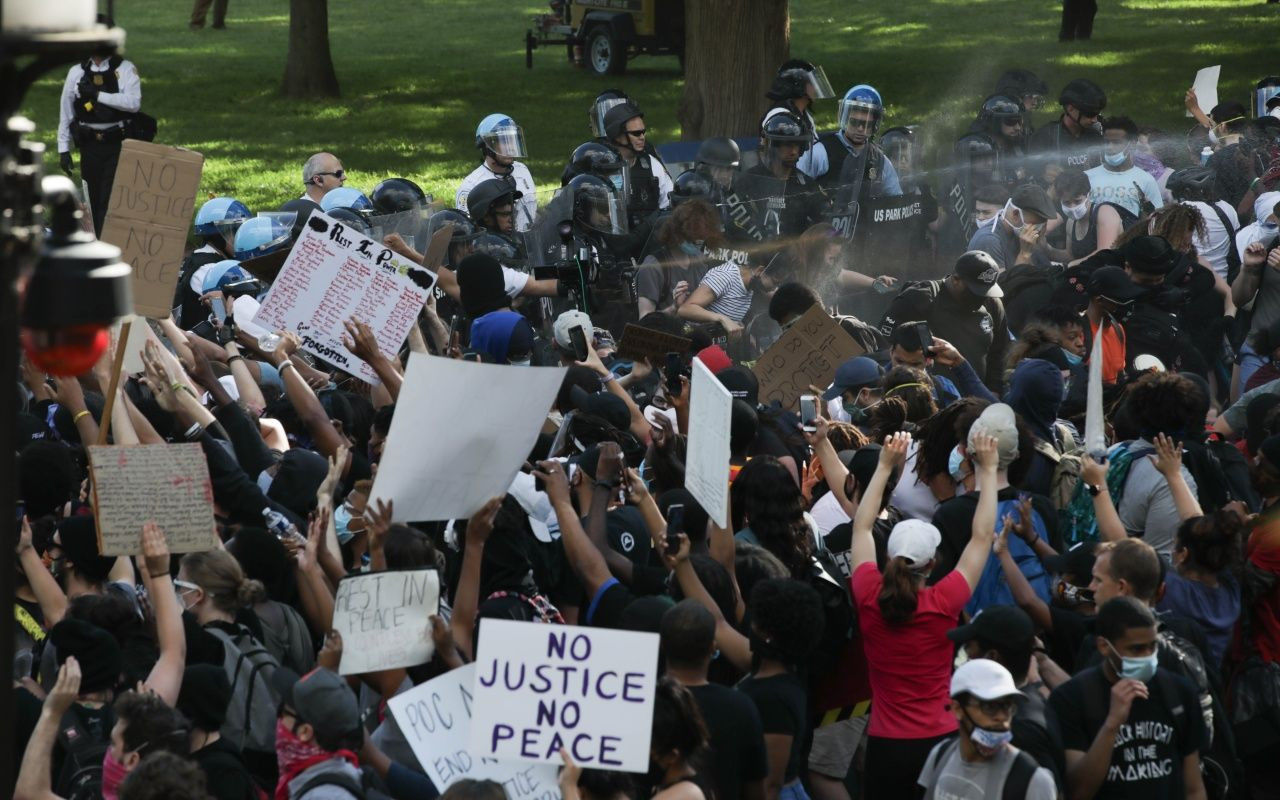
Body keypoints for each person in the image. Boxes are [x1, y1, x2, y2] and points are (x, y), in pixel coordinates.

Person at [833, 430, 1000, 800]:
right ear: (933, 562)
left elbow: (861, 526)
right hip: (940, 741)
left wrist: (884, 467)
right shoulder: (945, 601)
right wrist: (988, 472)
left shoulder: (868, 594)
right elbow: (982, 537)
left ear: (889, 559)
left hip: (885, 744)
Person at [1048, 597, 1208, 800]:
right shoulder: (1072, 698)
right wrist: (1112, 725)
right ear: (1104, 646)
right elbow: (1078, 792)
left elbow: (1194, 788)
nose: (1148, 656)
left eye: (1153, 646)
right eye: (1136, 649)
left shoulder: (1179, 692)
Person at [659, 600, 767, 800]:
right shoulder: (741, 708)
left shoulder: (643, 704)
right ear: (712, 648)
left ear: (663, 645)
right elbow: (757, 791)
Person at [948, 606, 1063, 779]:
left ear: (992, 657)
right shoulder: (1033, 704)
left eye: (969, 647)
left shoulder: (1016, 729)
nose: (966, 656)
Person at [916, 659, 1057, 799]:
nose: (1002, 717)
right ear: (957, 709)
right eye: (989, 707)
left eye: (1007, 706)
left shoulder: (1032, 779)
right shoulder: (940, 755)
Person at [879, 250, 1012, 393]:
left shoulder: (992, 303)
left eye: (987, 291)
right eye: (976, 291)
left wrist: (994, 390)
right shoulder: (921, 298)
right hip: (928, 398)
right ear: (956, 279)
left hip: (975, 401)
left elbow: (999, 351)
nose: (982, 297)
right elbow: (884, 345)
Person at [56, 42, 143, 235]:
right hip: (89, 144)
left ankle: (109, 239)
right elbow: (66, 111)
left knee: (110, 197)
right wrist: (63, 148)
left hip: (118, 143)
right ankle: (95, 240)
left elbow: (133, 103)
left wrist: (98, 95)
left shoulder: (125, 68)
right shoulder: (76, 72)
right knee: (92, 197)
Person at [1156, 512, 1242, 667]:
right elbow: (1211, 539)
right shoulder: (1232, 590)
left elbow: (1129, 553)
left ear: (1183, 554)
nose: (1172, 551)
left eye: (1175, 546)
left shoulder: (1172, 589)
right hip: (1216, 684)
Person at [270, 667, 365, 800]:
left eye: (283, 712)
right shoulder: (341, 769)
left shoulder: (321, 796)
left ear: (305, 731)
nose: (279, 720)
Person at [799, 84, 903, 200]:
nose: (860, 128)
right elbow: (796, 186)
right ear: (845, 118)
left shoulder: (880, 160)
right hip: (825, 217)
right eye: (854, 122)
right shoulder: (821, 152)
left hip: (865, 218)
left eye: (867, 124)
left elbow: (896, 199)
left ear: (875, 125)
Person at [635, 199, 720, 316]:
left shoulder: (700, 261)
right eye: (694, 239)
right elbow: (645, 320)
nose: (699, 242)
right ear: (677, 233)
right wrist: (674, 307)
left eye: (702, 239)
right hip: (667, 331)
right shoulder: (653, 267)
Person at [456, 114, 538, 231]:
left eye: (512, 140)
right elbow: (467, 231)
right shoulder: (471, 185)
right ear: (487, 146)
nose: (510, 147)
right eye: (504, 141)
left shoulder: (522, 170)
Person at [601, 102, 674, 227]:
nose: (642, 137)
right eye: (636, 133)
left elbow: (669, 204)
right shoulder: (600, 167)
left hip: (649, 241)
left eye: (643, 132)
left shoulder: (652, 164)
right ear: (617, 135)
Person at [1085, 116, 1165, 218]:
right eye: (1106, 142)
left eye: (1116, 142)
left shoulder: (1146, 180)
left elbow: (1157, 219)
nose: (1109, 147)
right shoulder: (1087, 177)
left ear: (1132, 144)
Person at [968, 183, 1057, 270]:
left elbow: (1032, 275)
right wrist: (1024, 254)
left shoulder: (1017, 234)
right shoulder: (988, 240)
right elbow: (1002, 284)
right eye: (1035, 225)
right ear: (1015, 215)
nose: (1039, 230)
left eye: (1043, 224)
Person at [1029, 78, 1106, 177]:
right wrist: (1043, 173)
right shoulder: (1045, 137)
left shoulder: (1096, 136)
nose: (1094, 120)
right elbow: (1031, 171)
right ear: (1070, 108)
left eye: (1097, 114)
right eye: (1090, 114)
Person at [1052, 168, 1125, 264]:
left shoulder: (1105, 213)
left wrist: (1072, 265)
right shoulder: (1071, 222)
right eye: (1066, 202)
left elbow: (1104, 253)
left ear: (1088, 195)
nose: (1072, 207)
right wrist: (1045, 247)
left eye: (1077, 201)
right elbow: (1070, 256)